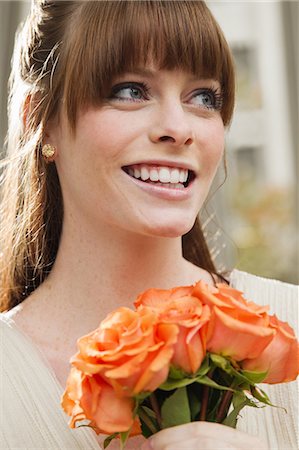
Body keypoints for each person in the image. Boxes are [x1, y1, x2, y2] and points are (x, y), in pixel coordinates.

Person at [0, 1, 297, 449]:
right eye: (130, 90)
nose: (178, 129)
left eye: (203, 98)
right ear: (38, 119)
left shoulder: (291, 325)